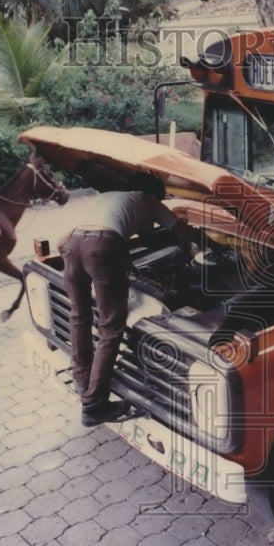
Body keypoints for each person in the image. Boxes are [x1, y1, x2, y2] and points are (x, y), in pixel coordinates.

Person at [59, 171, 195, 427]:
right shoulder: (150, 200)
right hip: (102, 247)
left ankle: (82, 381)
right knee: (111, 327)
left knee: (79, 316)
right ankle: (94, 405)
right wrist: (209, 242)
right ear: (157, 193)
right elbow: (180, 229)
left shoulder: (110, 197)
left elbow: (62, 241)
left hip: (71, 245)